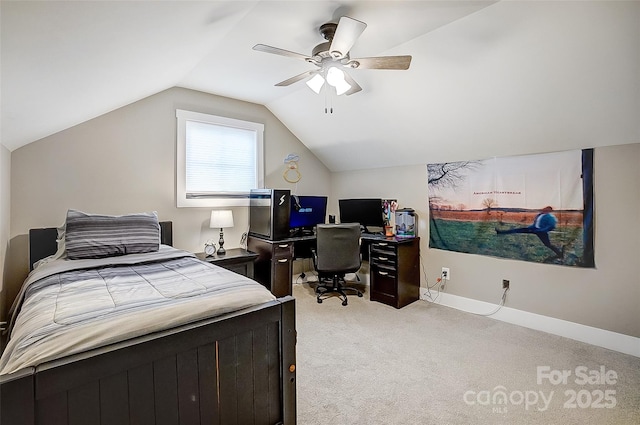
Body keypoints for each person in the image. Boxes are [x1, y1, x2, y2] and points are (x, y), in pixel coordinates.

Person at [496, 206, 563, 258]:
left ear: (549, 210)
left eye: (546, 209)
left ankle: (560, 254)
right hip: (533, 229)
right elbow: (535, 223)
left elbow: (551, 226)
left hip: (541, 232)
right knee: (517, 230)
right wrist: (530, 227)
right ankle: (500, 232)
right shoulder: (539, 215)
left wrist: (541, 230)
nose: (543, 209)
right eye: (544, 208)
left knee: (547, 244)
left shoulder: (550, 217)